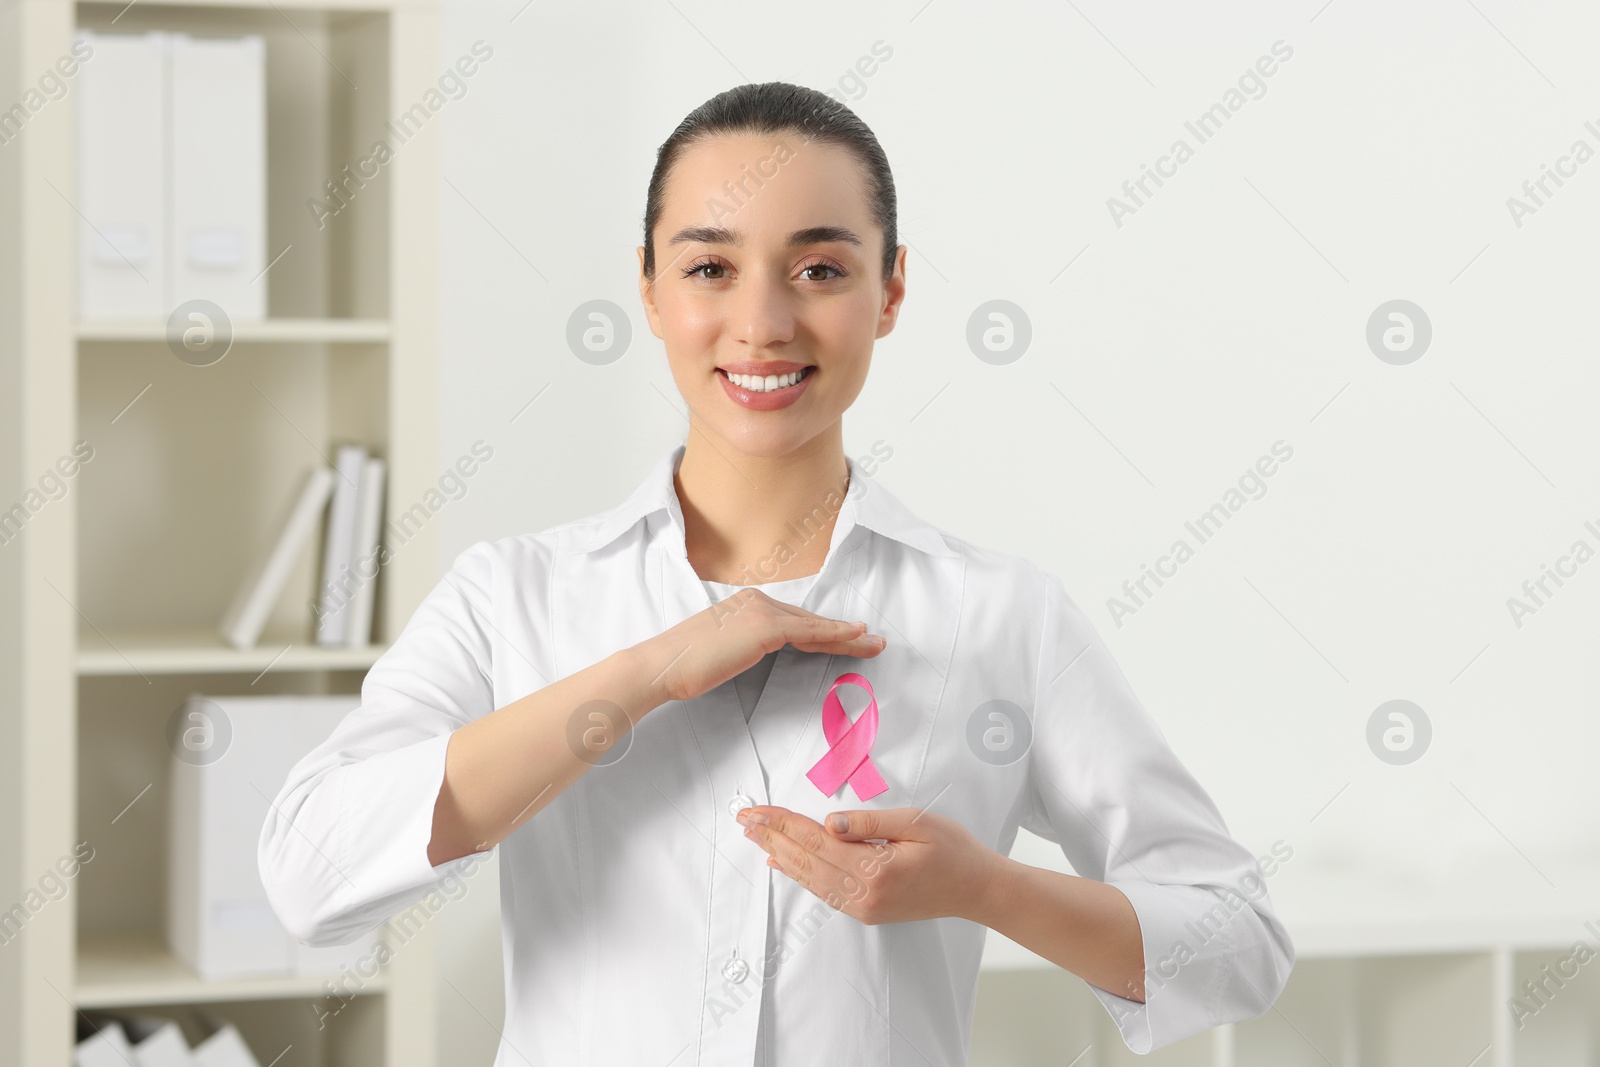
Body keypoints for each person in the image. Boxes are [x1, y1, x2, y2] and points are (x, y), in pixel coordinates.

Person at [259, 80, 1293, 1065]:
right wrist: (651, 671)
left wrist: (984, 886)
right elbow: (311, 872)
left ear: (889, 292)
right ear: (649, 289)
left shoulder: (1000, 614)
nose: (763, 323)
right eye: (710, 267)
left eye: (820, 268)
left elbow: (1238, 939)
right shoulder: (512, 596)